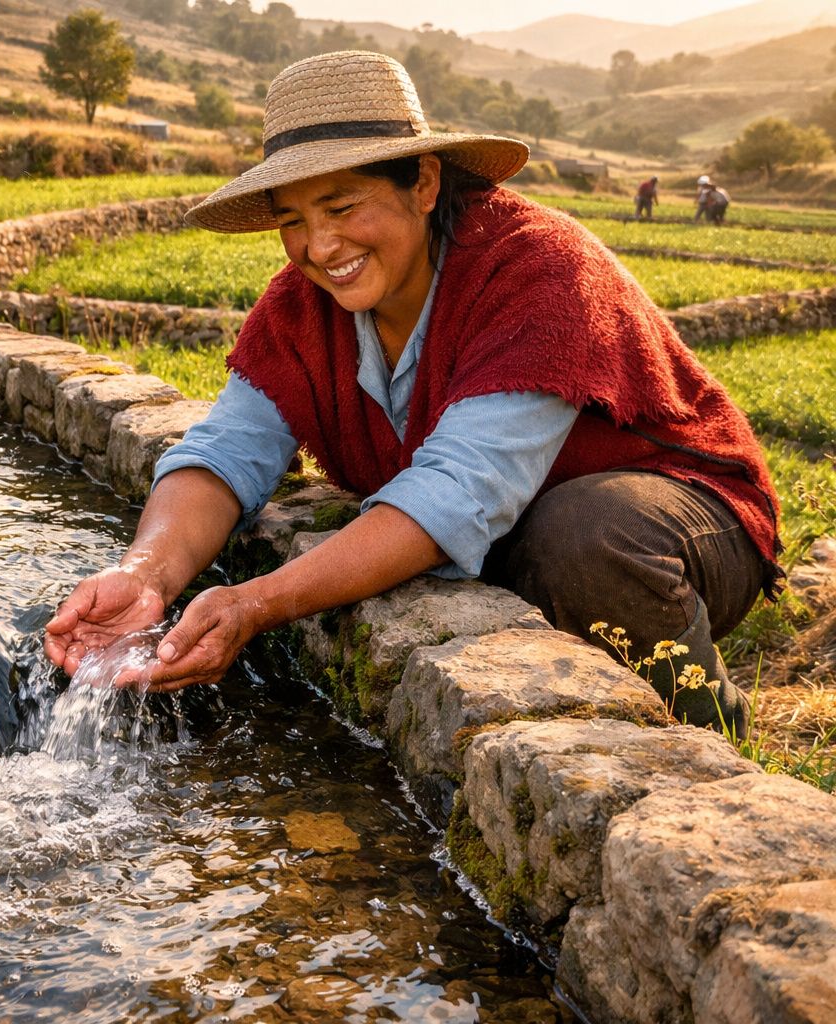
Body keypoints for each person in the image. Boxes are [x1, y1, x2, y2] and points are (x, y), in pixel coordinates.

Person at [45, 51, 780, 735]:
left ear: (424, 184)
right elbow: (226, 449)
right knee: (532, 541)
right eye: (293, 221)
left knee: (582, 536)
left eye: (340, 207)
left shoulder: (537, 270)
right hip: (517, 519)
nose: (320, 247)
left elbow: (458, 490)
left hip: (675, 516)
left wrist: (253, 604)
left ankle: (706, 718)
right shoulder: (300, 308)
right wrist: (146, 575)